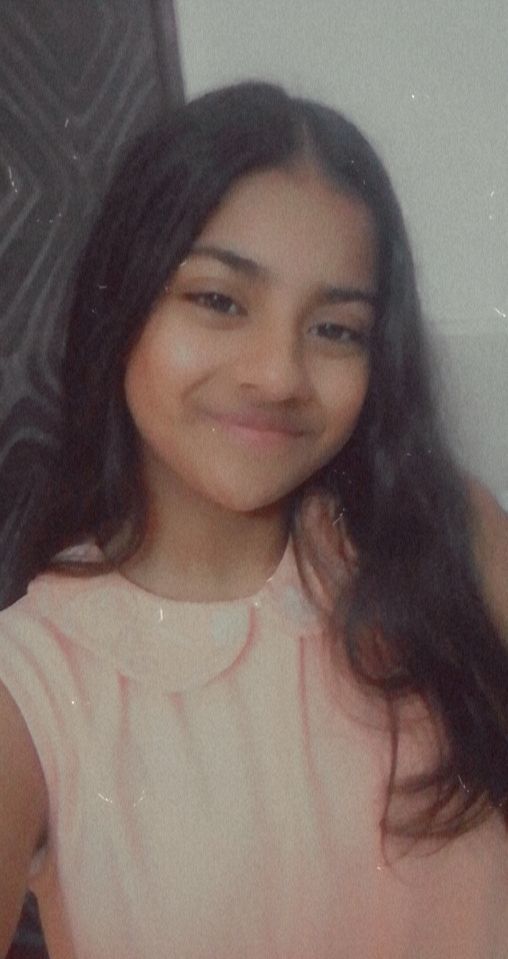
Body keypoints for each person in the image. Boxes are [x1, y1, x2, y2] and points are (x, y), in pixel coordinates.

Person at [0, 80, 507, 959]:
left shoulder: (444, 539)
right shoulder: (34, 684)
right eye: (220, 301)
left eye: (336, 329)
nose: (277, 374)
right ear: (123, 304)